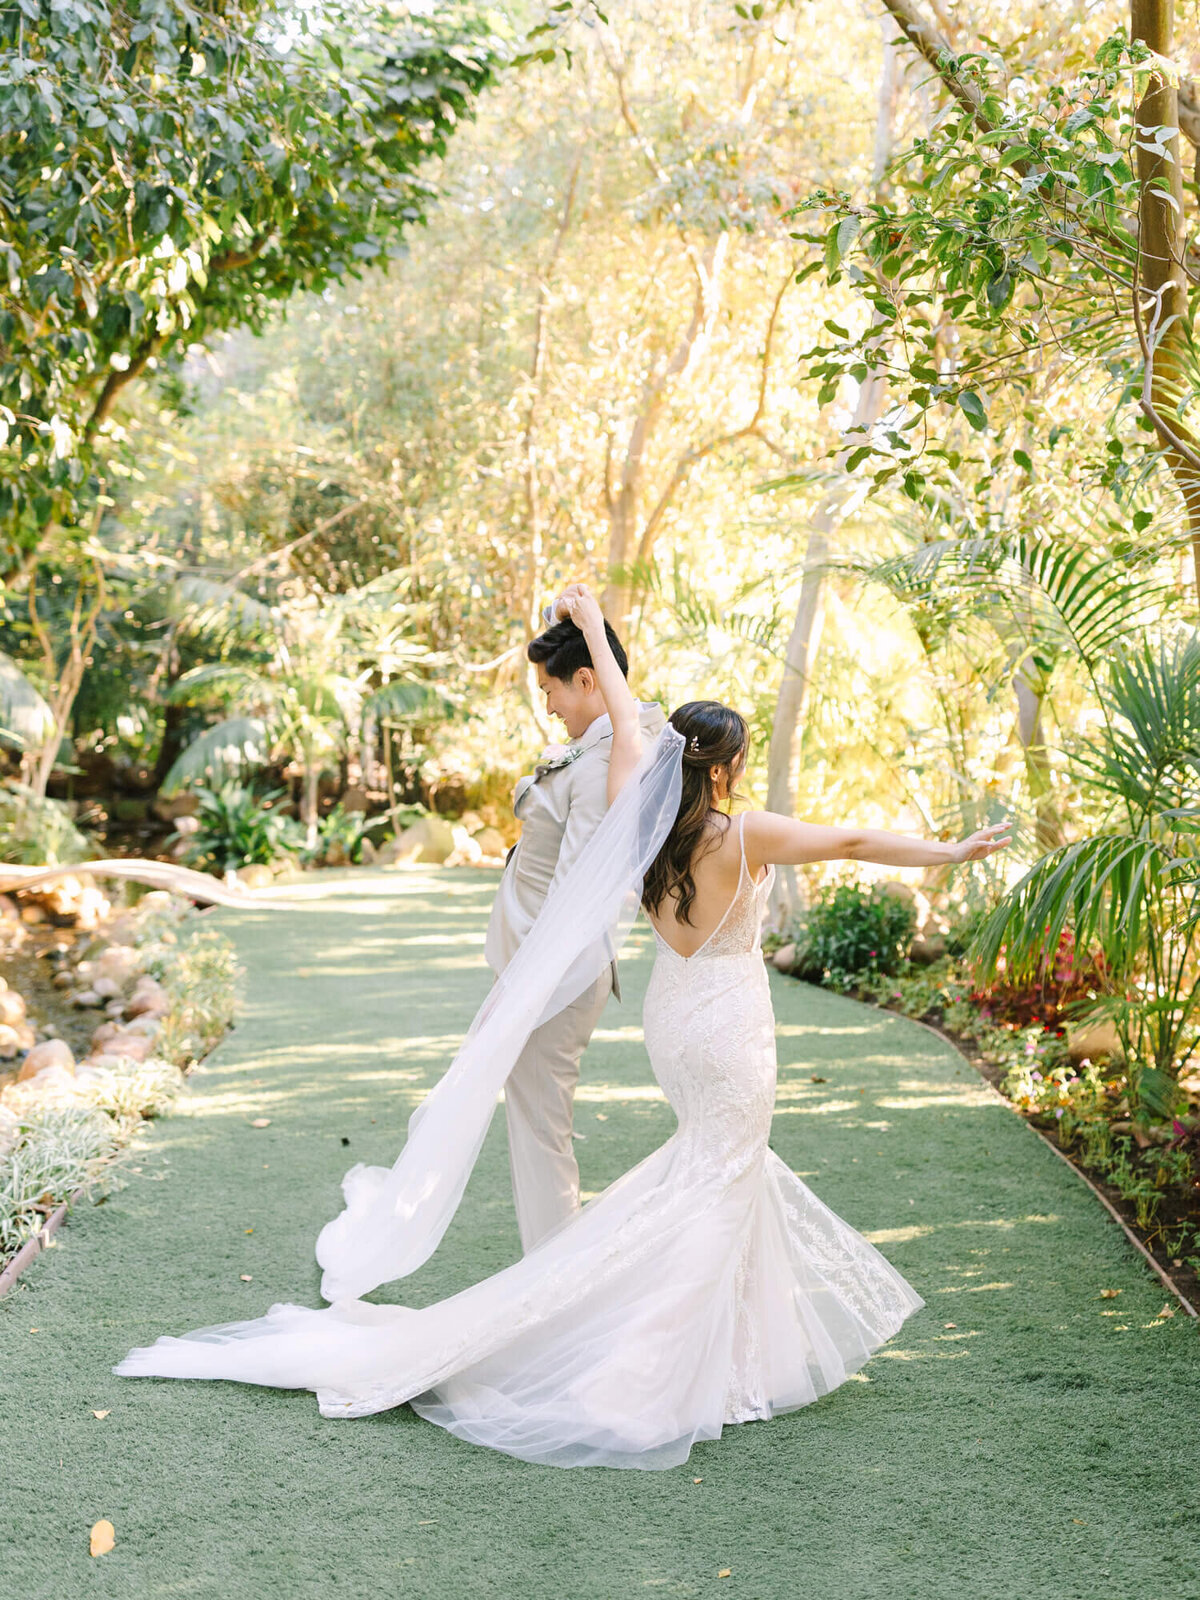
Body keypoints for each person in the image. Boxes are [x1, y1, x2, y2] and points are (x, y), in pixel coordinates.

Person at [115, 585, 1010, 1471]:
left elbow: (624, 724)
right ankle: (640, 1377)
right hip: (731, 1025)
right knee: (721, 1176)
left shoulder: (640, 820)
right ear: (726, 765)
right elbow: (851, 842)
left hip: (675, 1016)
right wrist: (949, 852)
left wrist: (591, 627)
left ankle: (729, 1359)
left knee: (712, 1173)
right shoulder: (743, 835)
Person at [486, 606, 665, 1252]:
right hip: (541, 967)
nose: (549, 706)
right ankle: (549, 1269)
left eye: (551, 690)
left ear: (587, 679)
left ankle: (552, 1280)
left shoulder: (599, 764)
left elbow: (577, 889)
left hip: (554, 977)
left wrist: (527, 985)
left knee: (542, 1128)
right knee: (536, 1121)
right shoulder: (593, 749)